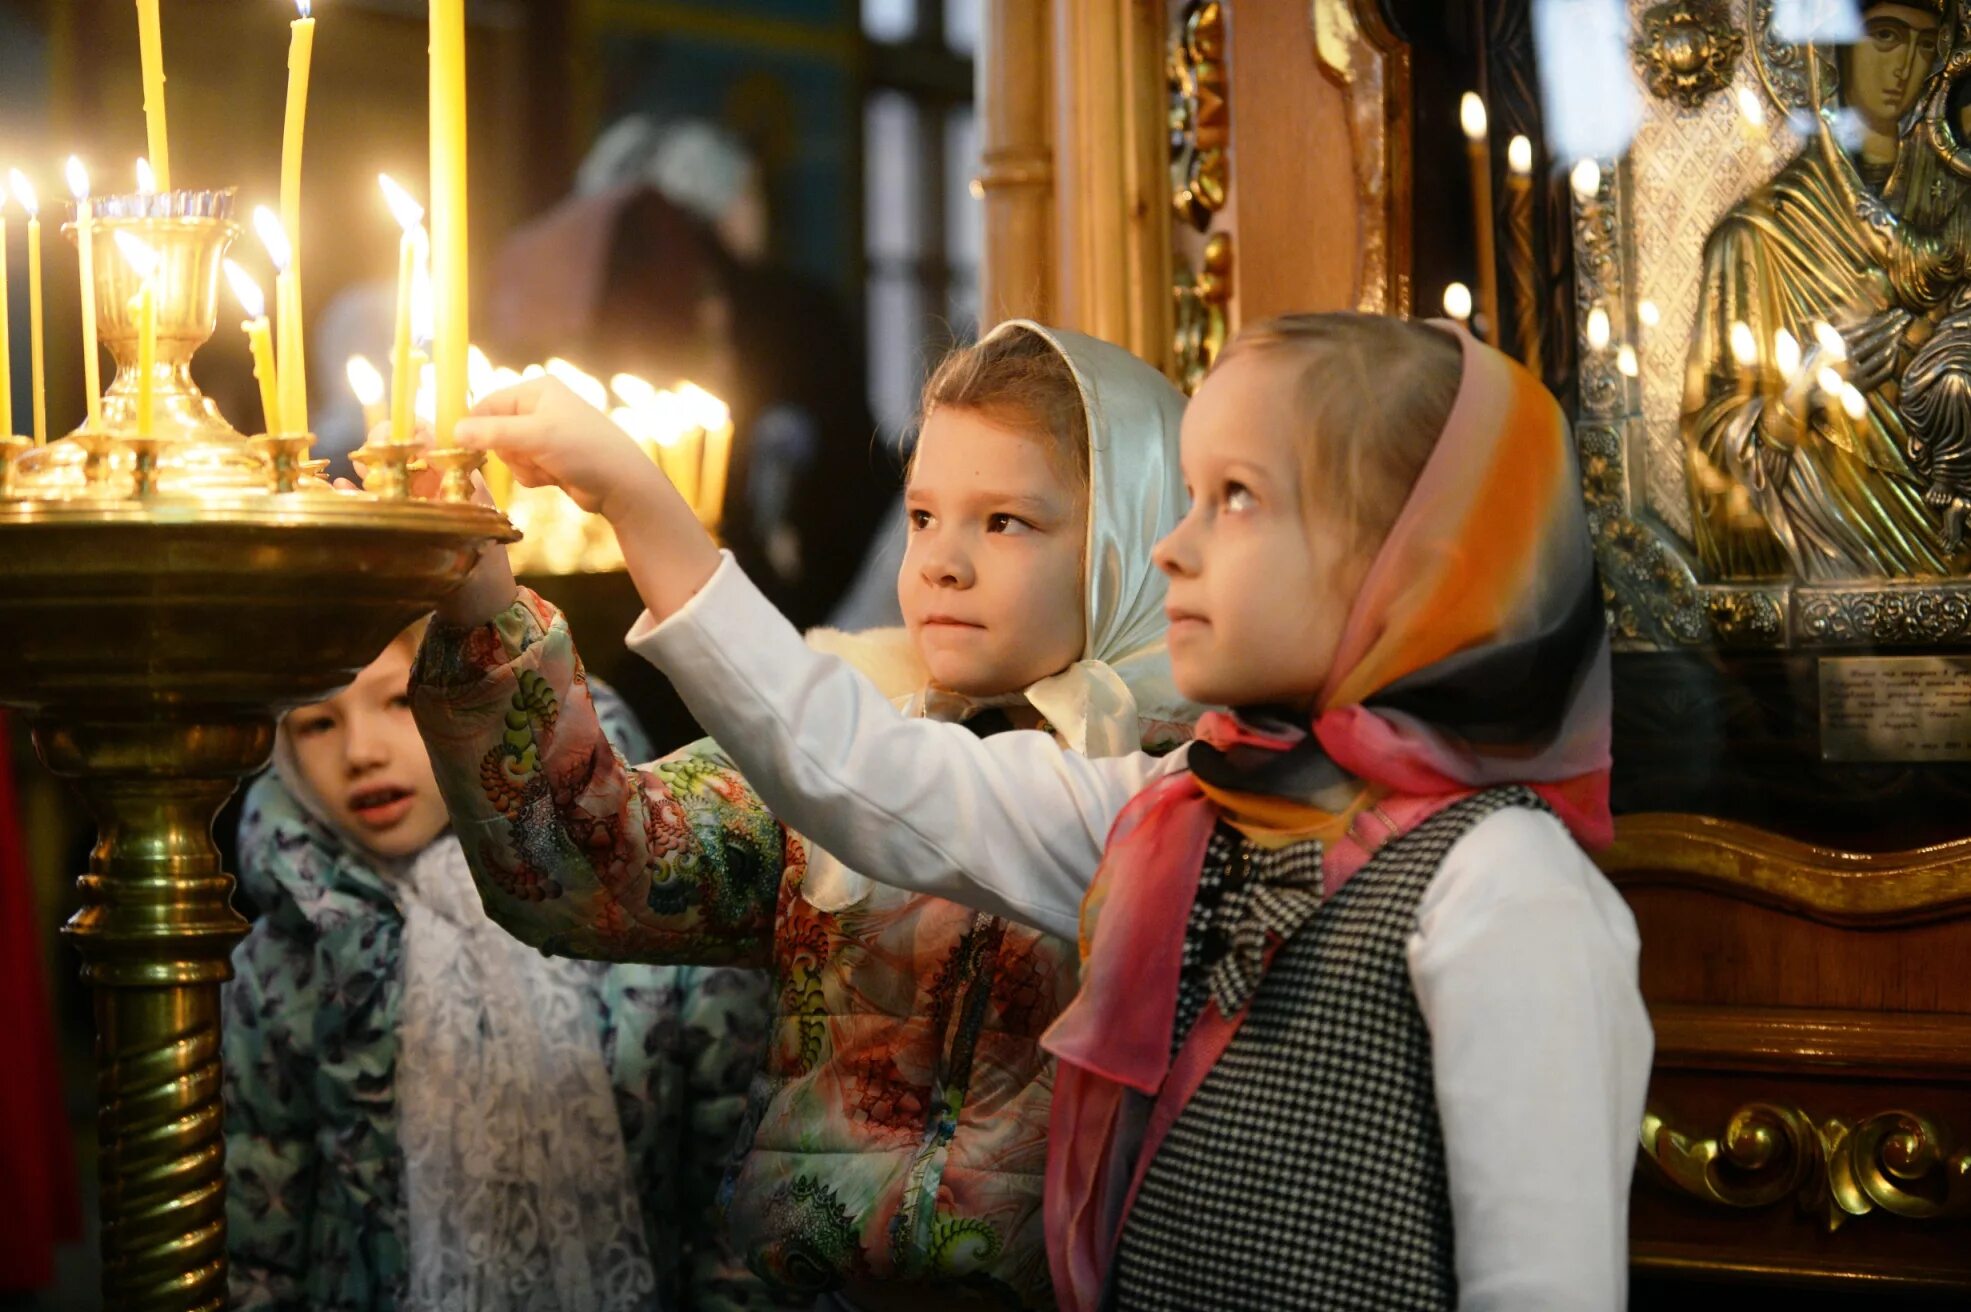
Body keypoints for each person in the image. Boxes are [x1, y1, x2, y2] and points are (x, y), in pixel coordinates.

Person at [435, 310, 1651, 1309]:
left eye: (1231, 499)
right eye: (920, 516)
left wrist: (642, 504)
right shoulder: (1171, 808)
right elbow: (852, 766)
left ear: (1405, 563)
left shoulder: (1499, 885)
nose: (1174, 547)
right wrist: (594, 528)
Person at [405, 321, 1194, 1309]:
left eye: (1006, 522)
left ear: (1137, 529)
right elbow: (585, 868)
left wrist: (634, 495)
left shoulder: (1178, 790)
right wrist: (486, 619)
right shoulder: (841, 740)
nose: (942, 562)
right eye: (920, 516)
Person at [222, 620, 776, 1312]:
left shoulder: (658, 921)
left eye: (399, 701)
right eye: (315, 723)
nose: (360, 752)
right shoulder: (287, 959)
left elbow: (736, 1212)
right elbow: (255, 1245)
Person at [1681, 0, 1956, 579]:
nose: (1906, 64)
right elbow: (1709, 442)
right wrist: (1798, 398)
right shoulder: (1756, 238)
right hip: (1827, 549)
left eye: (1926, 45)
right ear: (1835, 45)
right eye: (1886, 35)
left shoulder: (1956, 220)